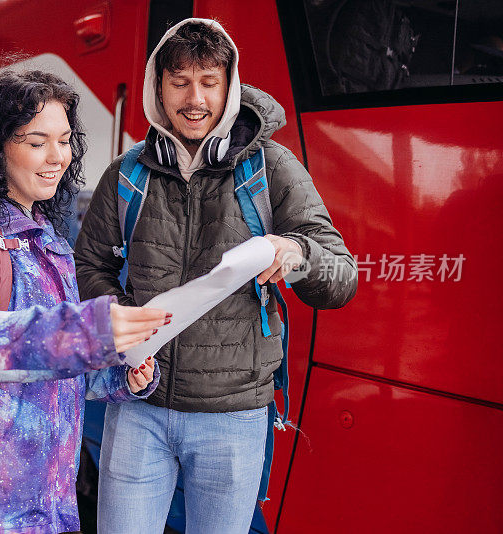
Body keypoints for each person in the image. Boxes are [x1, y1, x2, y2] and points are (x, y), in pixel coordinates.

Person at [74, 19, 358, 533]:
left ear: (230, 87)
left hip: (234, 418)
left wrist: (295, 251)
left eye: (209, 81)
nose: (194, 99)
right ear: (157, 88)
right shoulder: (128, 172)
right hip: (138, 407)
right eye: (179, 82)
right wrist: (123, 327)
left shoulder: (269, 167)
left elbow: (342, 275)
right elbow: (89, 264)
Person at [0, 70, 168, 533]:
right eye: (37, 142)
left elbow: (56, 373)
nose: (58, 158)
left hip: (49, 506)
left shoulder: (46, 237)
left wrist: (121, 371)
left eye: (65, 140)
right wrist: (89, 331)